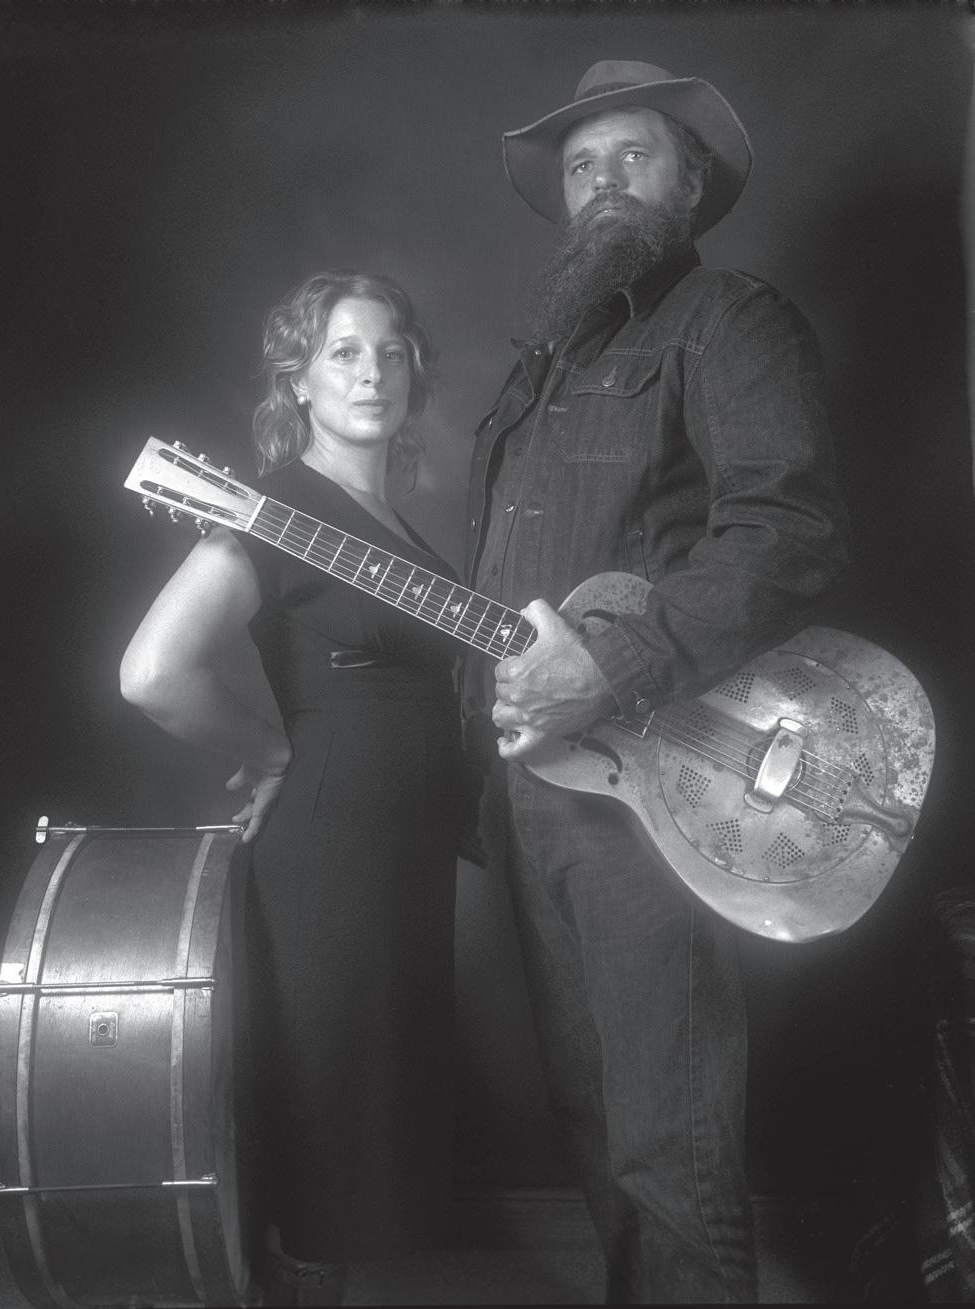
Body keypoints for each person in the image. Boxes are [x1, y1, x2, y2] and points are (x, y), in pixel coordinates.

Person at [462, 61, 850, 1303]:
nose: (602, 181)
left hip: (657, 784)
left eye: (633, 156)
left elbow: (787, 531)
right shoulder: (534, 372)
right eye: (582, 166)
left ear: (689, 184)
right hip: (533, 788)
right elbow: (498, 593)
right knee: (592, 1121)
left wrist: (614, 661)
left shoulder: (730, 320)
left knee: (663, 1137)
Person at [121, 271, 466, 1307]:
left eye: (392, 352)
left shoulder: (394, 524)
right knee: (326, 1108)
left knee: (365, 1105)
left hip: (404, 848)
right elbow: (152, 672)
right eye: (344, 352)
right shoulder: (277, 509)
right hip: (331, 843)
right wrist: (268, 752)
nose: (373, 372)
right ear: (298, 380)